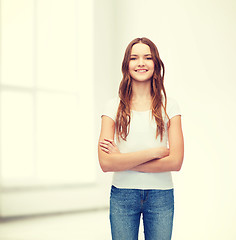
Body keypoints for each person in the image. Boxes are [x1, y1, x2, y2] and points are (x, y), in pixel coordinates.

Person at [98, 37, 184, 240]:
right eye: (134, 58)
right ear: (127, 65)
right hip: (122, 195)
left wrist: (123, 160)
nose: (141, 63)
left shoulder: (170, 106)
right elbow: (105, 162)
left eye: (148, 57)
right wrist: (154, 153)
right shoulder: (112, 107)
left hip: (161, 195)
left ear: (156, 63)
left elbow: (176, 161)